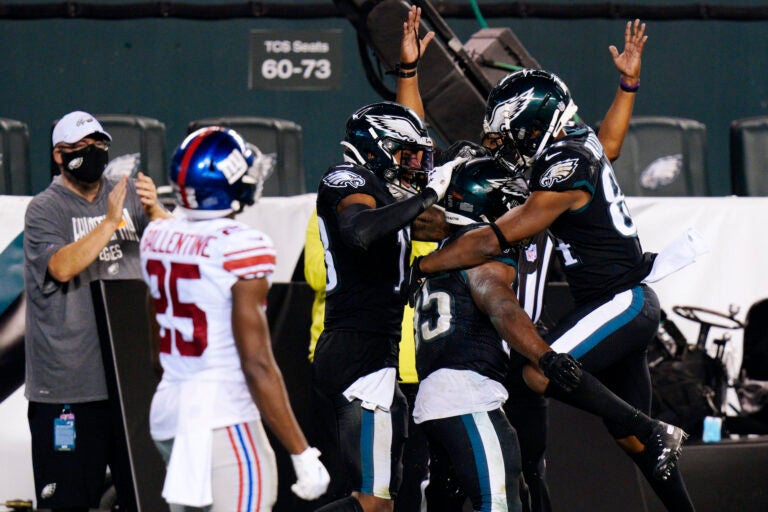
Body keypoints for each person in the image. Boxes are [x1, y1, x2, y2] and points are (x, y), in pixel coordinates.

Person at [397, 9, 652, 511]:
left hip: (505, 351)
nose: (497, 146)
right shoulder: (479, 191)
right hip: (486, 351)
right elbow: (415, 148)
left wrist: (627, 85)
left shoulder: (548, 183)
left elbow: (607, 148)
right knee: (496, 486)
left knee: (524, 475)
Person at [139, 126, 330, 511]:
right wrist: (301, 452)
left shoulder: (156, 236)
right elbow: (257, 363)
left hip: (169, 412)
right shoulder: (240, 244)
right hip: (222, 416)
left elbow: (155, 341)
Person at [311, 101, 465, 512]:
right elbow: (360, 233)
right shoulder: (349, 179)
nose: (413, 164)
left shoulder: (382, 196)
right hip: (356, 350)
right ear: (376, 149)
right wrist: (431, 192)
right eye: (406, 154)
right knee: (373, 503)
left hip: (375, 349)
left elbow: (430, 232)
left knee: (382, 501)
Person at [23, 110, 170, 511]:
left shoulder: (127, 196)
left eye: (99, 145)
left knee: (148, 500)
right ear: (59, 155)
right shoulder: (45, 209)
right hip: (69, 388)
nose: (93, 153)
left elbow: (179, 250)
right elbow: (62, 266)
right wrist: (108, 223)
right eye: (82, 148)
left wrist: (156, 211)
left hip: (131, 383)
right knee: (68, 501)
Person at [304, 208, 435, 511]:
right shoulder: (332, 205)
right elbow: (316, 273)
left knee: (404, 489)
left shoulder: (418, 213)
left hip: (412, 368)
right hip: (350, 373)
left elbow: (428, 267)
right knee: (349, 488)